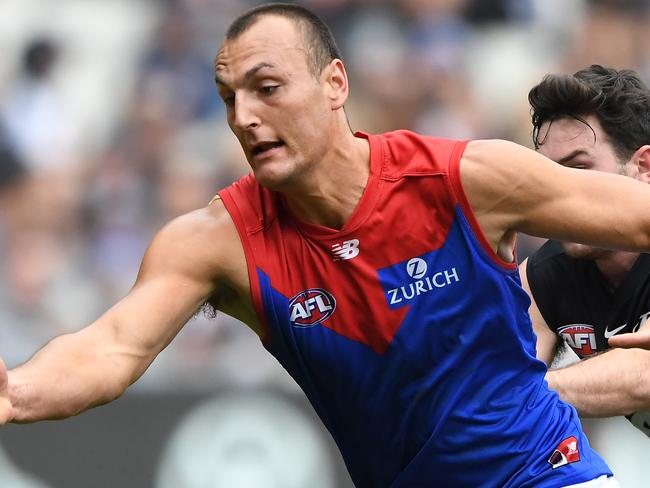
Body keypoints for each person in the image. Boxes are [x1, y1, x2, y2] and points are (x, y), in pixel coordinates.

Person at [7, 3, 650, 486]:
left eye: (268, 87)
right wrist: (14, 392)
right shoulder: (215, 241)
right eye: (229, 98)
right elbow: (111, 348)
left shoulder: (466, 179)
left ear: (335, 84)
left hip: (545, 475)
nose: (244, 117)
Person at [519, 65, 650, 437]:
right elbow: (500, 378)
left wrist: (520, 395)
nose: (558, 196)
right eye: (546, 177)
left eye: (578, 169)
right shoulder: (541, 277)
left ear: (644, 167)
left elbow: (643, 375)